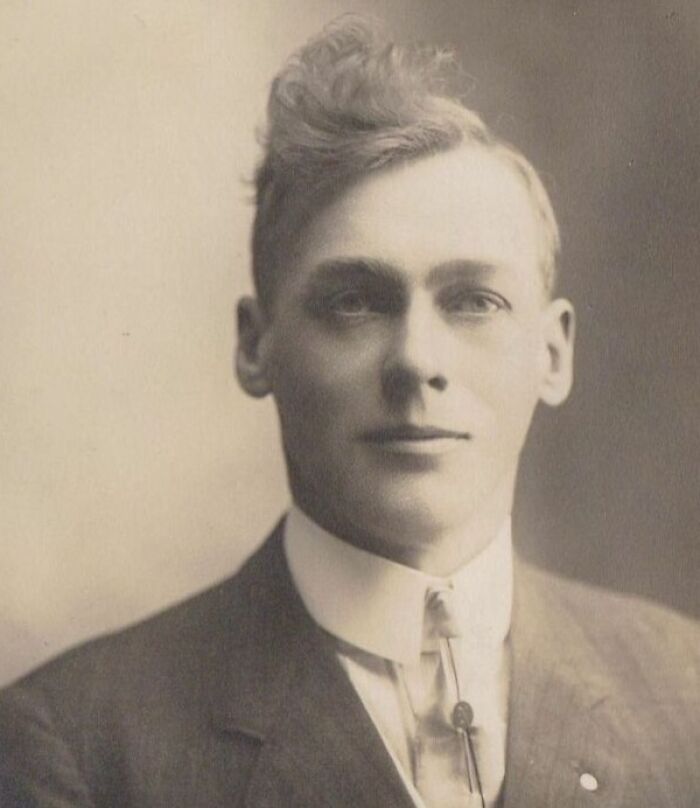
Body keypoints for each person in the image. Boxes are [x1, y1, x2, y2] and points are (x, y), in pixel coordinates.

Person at [1, 16, 698, 808]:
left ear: (553, 352)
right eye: (354, 303)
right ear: (256, 345)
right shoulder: (76, 746)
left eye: (473, 301)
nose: (416, 362)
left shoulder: (685, 694)